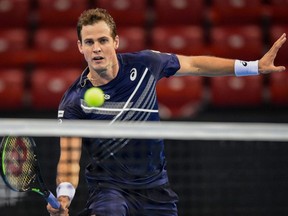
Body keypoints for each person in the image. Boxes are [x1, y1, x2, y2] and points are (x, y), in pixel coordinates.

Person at [47, 8, 286, 216]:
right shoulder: (74, 102)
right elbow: (69, 159)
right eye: (89, 42)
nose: (96, 49)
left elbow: (195, 64)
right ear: (80, 47)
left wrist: (254, 67)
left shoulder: (145, 65)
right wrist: (65, 196)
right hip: (110, 190)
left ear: (116, 42)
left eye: (103, 40)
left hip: (156, 188)